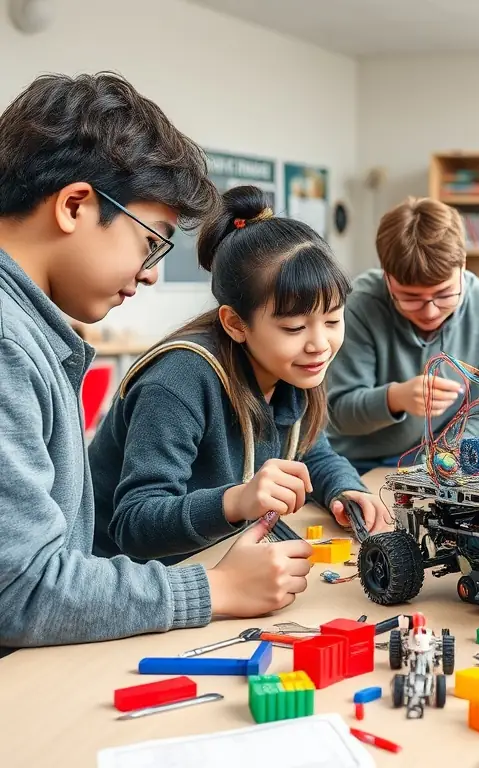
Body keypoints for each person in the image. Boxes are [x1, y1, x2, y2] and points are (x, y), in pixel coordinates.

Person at [0, 72, 312, 652]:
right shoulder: (7, 343)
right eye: (151, 242)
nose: (150, 273)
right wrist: (214, 589)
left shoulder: (29, 333)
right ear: (75, 205)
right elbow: (20, 590)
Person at [89, 186, 391, 568]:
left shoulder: (290, 369)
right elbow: (135, 524)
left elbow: (309, 450)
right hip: (132, 583)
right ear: (235, 323)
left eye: (333, 319)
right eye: (295, 328)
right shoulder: (177, 382)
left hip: (215, 564)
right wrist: (236, 501)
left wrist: (345, 489)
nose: (320, 344)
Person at [325, 197, 479, 470]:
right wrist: (395, 398)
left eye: (444, 294)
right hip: (358, 463)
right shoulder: (360, 304)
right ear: (387, 278)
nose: (429, 311)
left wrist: (445, 452)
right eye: (410, 298)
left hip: (442, 462)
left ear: (463, 266)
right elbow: (338, 412)